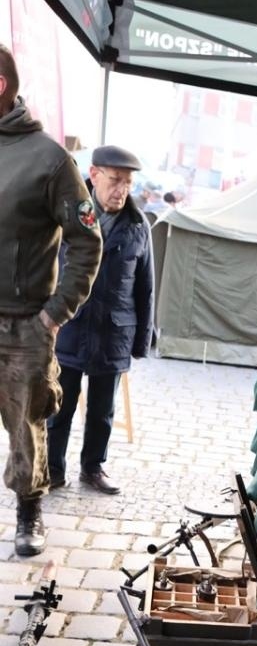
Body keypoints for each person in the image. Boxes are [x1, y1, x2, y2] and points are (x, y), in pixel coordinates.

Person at [0, 45, 102, 556]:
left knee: (26, 420)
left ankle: (29, 511)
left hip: (23, 325)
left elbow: (87, 241)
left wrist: (54, 313)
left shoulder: (50, 159)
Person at [47, 144, 156, 495]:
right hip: (70, 328)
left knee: (102, 411)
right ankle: (52, 469)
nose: (122, 189)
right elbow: (45, 271)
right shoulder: (67, 217)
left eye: (128, 182)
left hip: (113, 333)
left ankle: (93, 468)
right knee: (58, 406)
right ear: (94, 175)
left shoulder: (139, 227)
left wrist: (141, 342)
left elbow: (146, 287)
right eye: (115, 180)